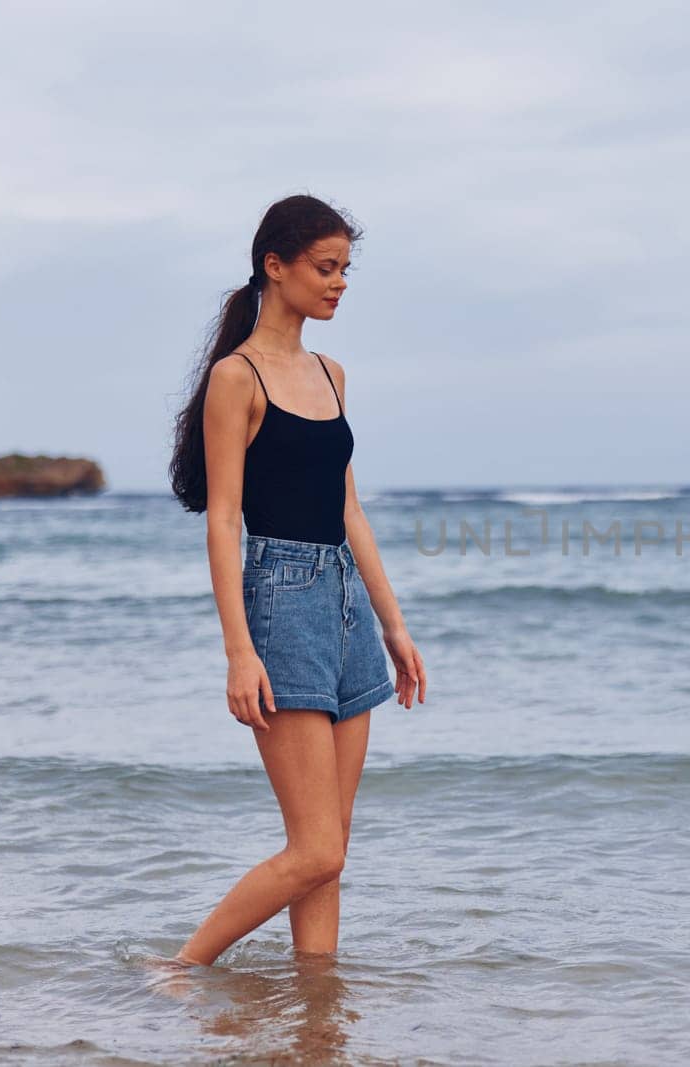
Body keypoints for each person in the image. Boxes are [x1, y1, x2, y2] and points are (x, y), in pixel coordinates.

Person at [166, 193, 427, 966]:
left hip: (346, 604)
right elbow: (223, 520)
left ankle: (316, 1012)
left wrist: (394, 624)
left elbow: (350, 510)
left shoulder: (332, 373)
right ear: (274, 267)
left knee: (332, 849)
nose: (340, 282)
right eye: (326, 266)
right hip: (280, 598)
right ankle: (179, 967)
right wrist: (238, 651)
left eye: (346, 268)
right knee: (314, 849)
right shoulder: (235, 379)